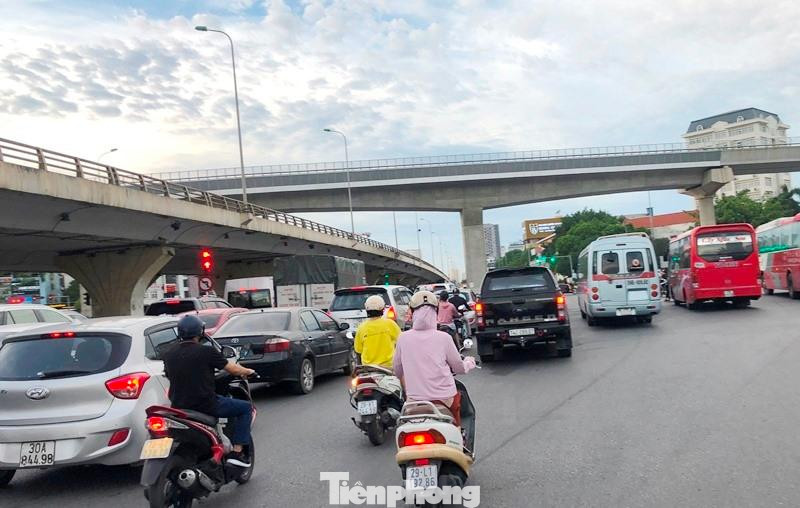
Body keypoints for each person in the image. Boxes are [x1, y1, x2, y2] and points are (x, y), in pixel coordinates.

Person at [162, 314, 256, 468]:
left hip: (179, 407)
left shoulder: (169, 354)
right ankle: (238, 452)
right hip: (206, 404)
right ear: (200, 332)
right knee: (245, 408)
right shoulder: (207, 352)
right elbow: (231, 368)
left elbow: (169, 374)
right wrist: (248, 371)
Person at [393, 291, 477, 426]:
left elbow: (397, 370)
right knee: (457, 430)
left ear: (413, 312)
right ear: (435, 311)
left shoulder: (403, 338)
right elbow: (459, 368)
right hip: (445, 400)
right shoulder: (444, 338)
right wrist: (469, 362)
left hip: (415, 403)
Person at [354, 295, 401, 368]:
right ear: (382, 309)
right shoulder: (390, 324)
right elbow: (402, 342)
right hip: (389, 367)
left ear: (366, 309)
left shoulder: (361, 328)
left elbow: (358, 351)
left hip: (368, 368)